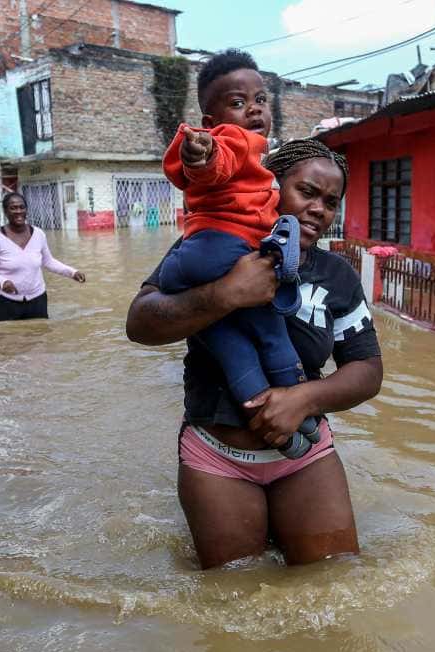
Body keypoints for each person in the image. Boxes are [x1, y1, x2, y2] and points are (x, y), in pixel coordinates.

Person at [126, 139, 384, 570]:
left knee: (335, 578)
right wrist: (224, 294)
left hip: (306, 456)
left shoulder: (336, 275)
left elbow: (368, 369)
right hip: (217, 458)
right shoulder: (212, 247)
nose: (319, 209)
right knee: (232, 593)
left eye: (331, 201)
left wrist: (304, 399)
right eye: (307, 192)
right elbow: (140, 323)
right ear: (270, 186)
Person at [158, 48, 318, 457]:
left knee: (232, 339)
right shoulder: (232, 141)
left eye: (260, 100)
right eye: (238, 102)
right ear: (212, 122)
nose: (254, 109)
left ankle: (289, 425)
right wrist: (202, 154)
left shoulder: (258, 155)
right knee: (268, 332)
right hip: (220, 246)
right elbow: (216, 163)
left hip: (222, 252)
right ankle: (304, 420)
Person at [0, 192, 85, 321]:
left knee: (40, 336)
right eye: (13, 208)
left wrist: (72, 272)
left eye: (22, 207)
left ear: (26, 210)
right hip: (6, 301)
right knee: (9, 338)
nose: (18, 211)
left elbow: (48, 261)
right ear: (5, 211)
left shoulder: (38, 234)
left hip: (37, 299)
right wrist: (3, 282)